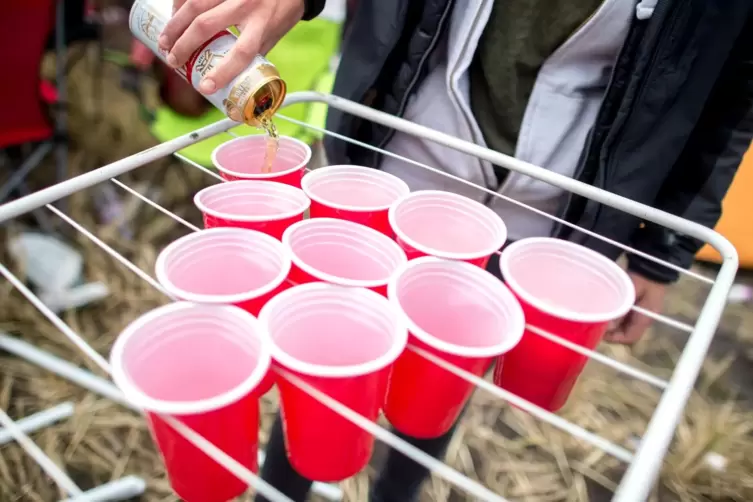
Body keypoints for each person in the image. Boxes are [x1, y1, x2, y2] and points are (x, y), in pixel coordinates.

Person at [158, 0, 753, 500]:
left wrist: (660, 250)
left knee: (441, 378)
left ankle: (396, 492)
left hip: (546, 205)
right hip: (395, 163)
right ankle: (283, 487)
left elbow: (733, 90)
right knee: (325, 361)